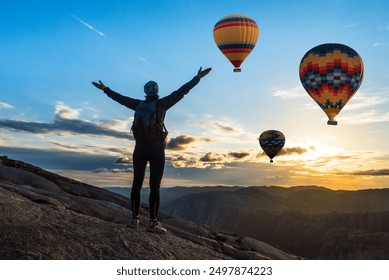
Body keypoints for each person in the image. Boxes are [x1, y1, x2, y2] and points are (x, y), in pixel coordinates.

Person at [92, 67, 212, 234]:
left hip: (139, 149)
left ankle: (134, 220)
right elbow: (182, 91)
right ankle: (153, 223)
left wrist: (105, 89)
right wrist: (197, 77)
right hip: (156, 151)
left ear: (145, 92)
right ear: (157, 91)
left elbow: (120, 99)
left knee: (137, 184)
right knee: (154, 186)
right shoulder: (162, 104)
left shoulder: (137, 105)